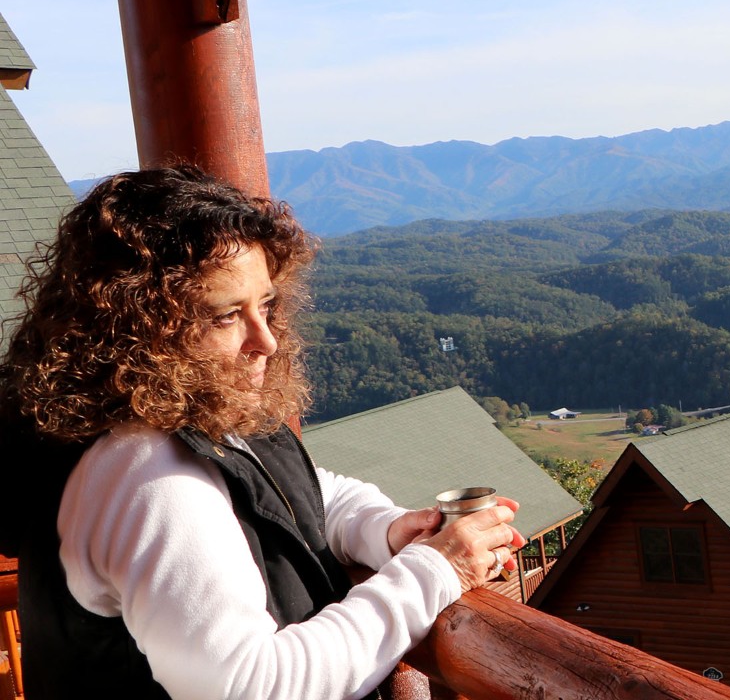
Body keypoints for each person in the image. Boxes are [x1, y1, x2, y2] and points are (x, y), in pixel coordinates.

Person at [0, 165, 525, 699]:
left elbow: (297, 492)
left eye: (267, 305)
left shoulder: (178, 415)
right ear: (133, 326)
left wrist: (388, 531)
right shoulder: (151, 475)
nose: (267, 340)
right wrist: (433, 573)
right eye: (227, 316)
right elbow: (252, 686)